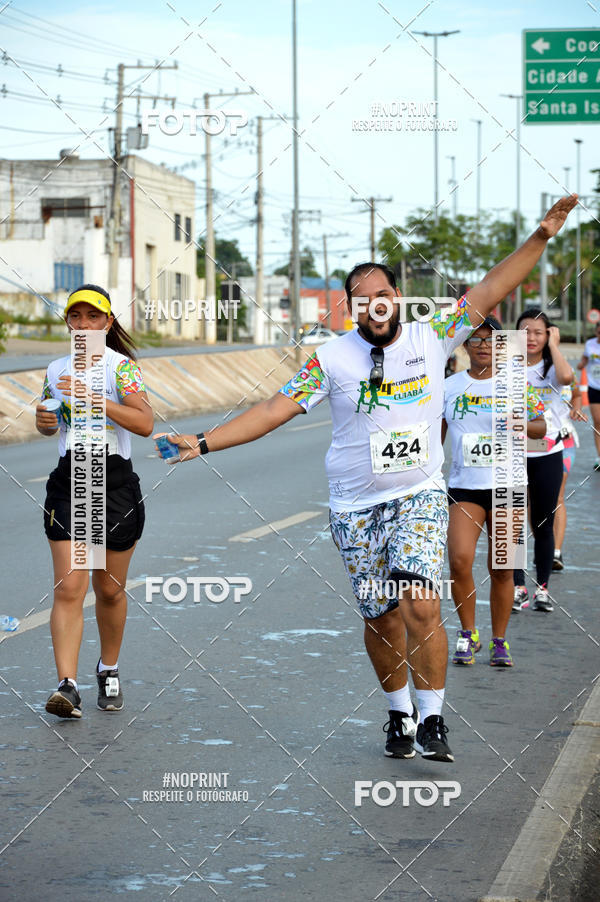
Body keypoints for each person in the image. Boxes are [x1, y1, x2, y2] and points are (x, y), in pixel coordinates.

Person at [163, 195, 576, 763]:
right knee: (381, 617)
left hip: (419, 495)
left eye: (383, 295)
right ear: (351, 310)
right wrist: (204, 441)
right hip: (355, 506)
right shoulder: (331, 359)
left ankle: (433, 720)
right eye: (364, 301)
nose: (376, 306)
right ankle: (399, 714)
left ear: (396, 298)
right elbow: (272, 410)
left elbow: (491, 289)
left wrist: (542, 237)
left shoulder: (433, 337)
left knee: (420, 603)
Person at [36, 285, 153, 718]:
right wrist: (44, 420)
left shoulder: (122, 370)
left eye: (93, 317)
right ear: (68, 322)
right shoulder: (55, 369)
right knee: (70, 587)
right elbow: (50, 424)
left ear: (107, 323)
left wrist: (94, 400)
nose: (83, 325)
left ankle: (109, 667)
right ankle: (67, 686)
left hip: (114, 483)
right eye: (76, 317)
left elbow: (144, 422)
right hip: (71, 481)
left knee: (108, 589)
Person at [442, 317, 546, 668]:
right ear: (465, 345)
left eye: (491, 340)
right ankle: (468, 633)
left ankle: (499, 640)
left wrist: (520, 423)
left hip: (508, 485)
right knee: (458, 560)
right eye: (476, 340)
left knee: (503, 568)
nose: (483, 345)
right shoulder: (450, 387)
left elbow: (541, 427)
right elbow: (434, 436)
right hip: (464, 486)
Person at [512, 310, 574, 614]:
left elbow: (567, 378)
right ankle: (517, 587)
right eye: (526, 331)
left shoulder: (553, 367)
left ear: (549, 334)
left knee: (543, 523)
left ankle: (542, 589)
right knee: (511, 523)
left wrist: (555, 347)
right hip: (512, 453)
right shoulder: (507, 366)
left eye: (539, 332)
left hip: (548, 454)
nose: (532, 338)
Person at [552, 376, 587, 570]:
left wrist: (576, 408)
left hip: (564, 440)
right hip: (532, 443)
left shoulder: (565, 372)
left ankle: (555, 552)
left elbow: (577, 394)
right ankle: (544, 546)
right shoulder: (520, 371)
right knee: (533, 498)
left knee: (558, 496)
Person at [577, 322, 600, 471]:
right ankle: (599, 457)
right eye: (599, 333)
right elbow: (584, 360)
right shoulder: (590, 344)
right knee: (598, 422)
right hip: (595, 387)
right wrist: (580, 365)